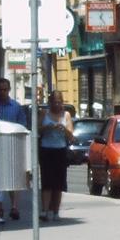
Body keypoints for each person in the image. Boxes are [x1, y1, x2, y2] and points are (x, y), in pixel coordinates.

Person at [38, 90, 74, 222]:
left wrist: (63, 129)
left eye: (59, 102)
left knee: (58, 184)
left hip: (60, 150)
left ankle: (55, 211)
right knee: (47, 181)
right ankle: (45, 210)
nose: (57, 105)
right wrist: (46, 128)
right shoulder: (44, 113)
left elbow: (71, 137)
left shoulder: (66, 115)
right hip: (46, 149)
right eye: (54, 102)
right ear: (50, 102)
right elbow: (36, 129)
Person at [0, 78, 26, 220]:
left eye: (5, 89)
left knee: (14, 177)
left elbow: (23, 126)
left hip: (13, 144)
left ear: (9, 90)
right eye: (0, 89)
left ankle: (14, 207)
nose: (2, 92)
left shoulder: (16, 107)